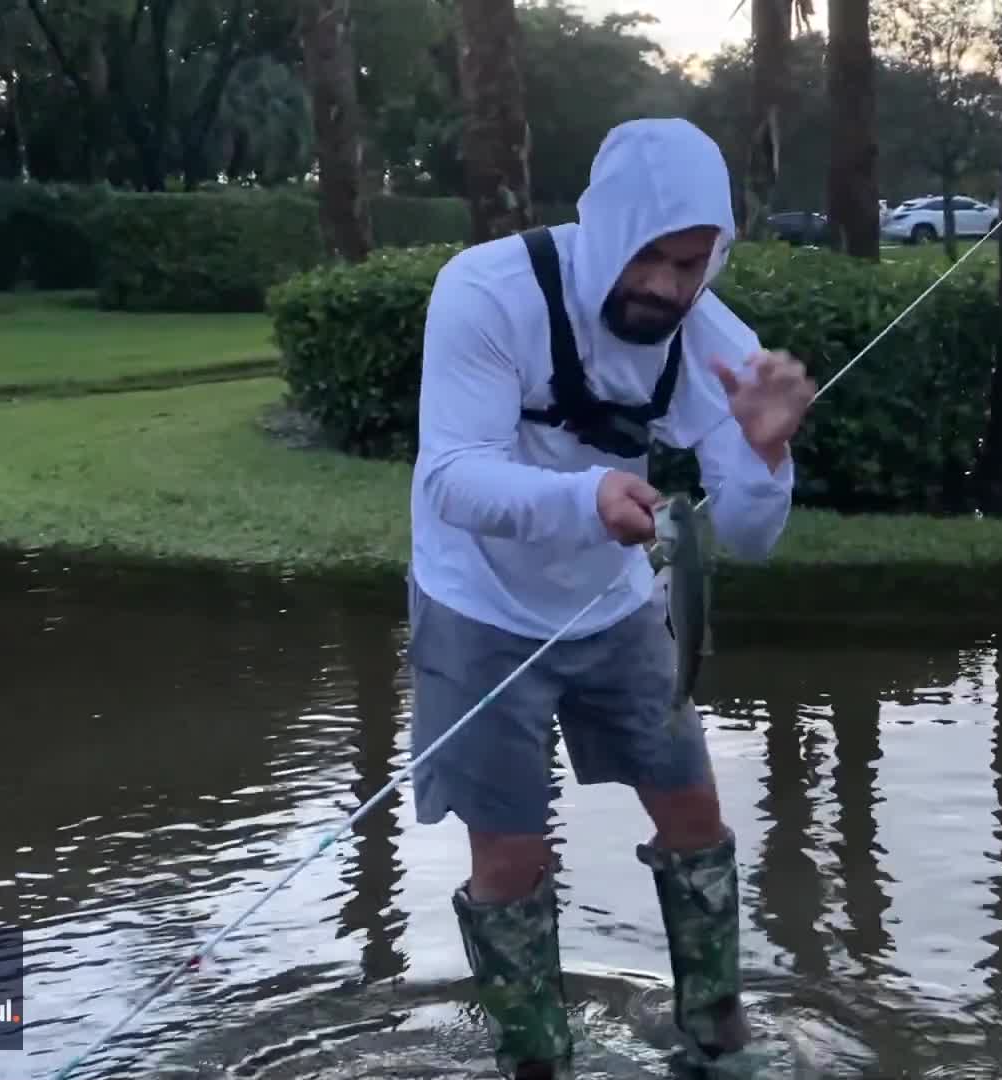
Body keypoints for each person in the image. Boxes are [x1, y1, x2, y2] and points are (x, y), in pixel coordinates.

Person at [404, 117, 816, 1078]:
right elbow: (450, 480)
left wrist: (765, 452)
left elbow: (750, 538)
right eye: (654, 259)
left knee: (694, 817)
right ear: (610, 229)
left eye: (693, 264)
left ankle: (716, 1036)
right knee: (509, 857)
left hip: (617, 605)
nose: (670, 288)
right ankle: (537, 1063)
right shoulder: (486, 292)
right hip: (478, 606)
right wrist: (583, 500)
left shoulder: (712, 340)